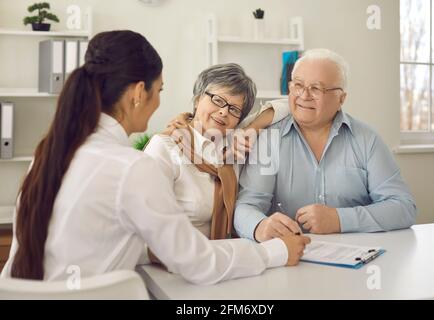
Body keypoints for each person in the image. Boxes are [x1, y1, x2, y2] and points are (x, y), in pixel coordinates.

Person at [0, 30, 310, 284]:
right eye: (159, 90)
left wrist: (250, 128)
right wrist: (276, 253)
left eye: (233, 109)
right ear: (138, 93)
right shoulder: (133, 167)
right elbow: (197, 263)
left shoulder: (49, 154)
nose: (161, 103)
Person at [234, 48, 417, 242]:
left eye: (316, 88)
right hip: (288, 260)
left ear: (341, 98)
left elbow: (403, 207)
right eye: (298, 85)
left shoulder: (367, 140)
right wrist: (259, 226)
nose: (304, 96)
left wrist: (340, 220)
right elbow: (246, 206)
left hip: (357, 259)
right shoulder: (268, 139)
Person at [143, 63, 289, 240]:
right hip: (174, 259)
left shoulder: (235, 143)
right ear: (197, 100)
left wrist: (253, 127)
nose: (223, 112)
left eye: (234, 109)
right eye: (218, 100)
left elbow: (293, 103)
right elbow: (148, 225)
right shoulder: (165, 146)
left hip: (226, 255)